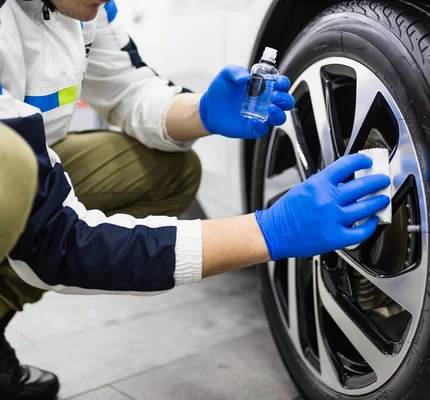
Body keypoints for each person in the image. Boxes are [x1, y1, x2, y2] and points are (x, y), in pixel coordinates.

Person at [0, 0, 392, 398]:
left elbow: (127, 89)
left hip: (29, 159)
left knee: (165, 173)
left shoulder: (86, 7)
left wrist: (201, 111)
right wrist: (269, 232)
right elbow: (59, 243)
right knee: (13, 168)